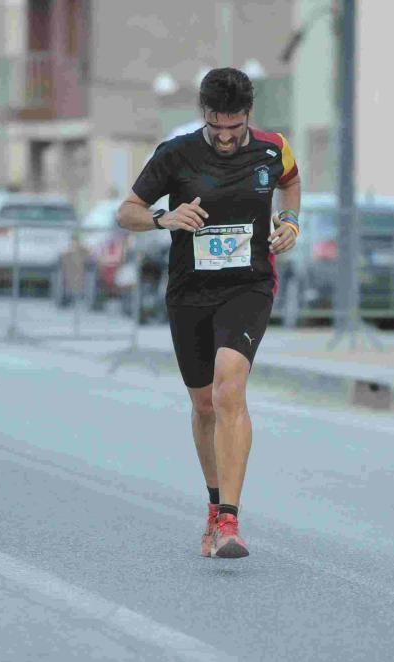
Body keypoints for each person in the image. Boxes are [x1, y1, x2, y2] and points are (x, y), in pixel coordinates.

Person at [116, 68, 301, 558]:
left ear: (249, 117)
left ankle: (230, 522)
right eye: (216, 127)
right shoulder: (175, 154)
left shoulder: (271, 148)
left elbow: (292, 182)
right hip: (189, 291)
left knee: (229, 386)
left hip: (249, 285)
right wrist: (163, 218)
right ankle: (213, 503)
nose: (225, 138)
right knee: (203, 405)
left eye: (234, 129)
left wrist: (292, 221)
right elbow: (126, 211)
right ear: (204, 114)